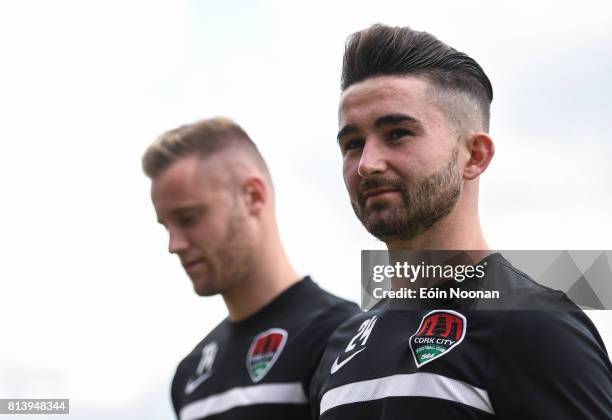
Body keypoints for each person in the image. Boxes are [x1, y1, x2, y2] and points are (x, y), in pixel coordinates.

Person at [310, 24, 612, 419]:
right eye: (353, 144)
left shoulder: (535, 326)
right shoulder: (342, 345)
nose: (367, 163)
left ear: (475, 156)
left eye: (397, 133)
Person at [142, 117, 360, 420]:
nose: (174, 244)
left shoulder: (340, 337)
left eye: (189, 218)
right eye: (166, 226)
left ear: (253, 196)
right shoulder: (189, 375)